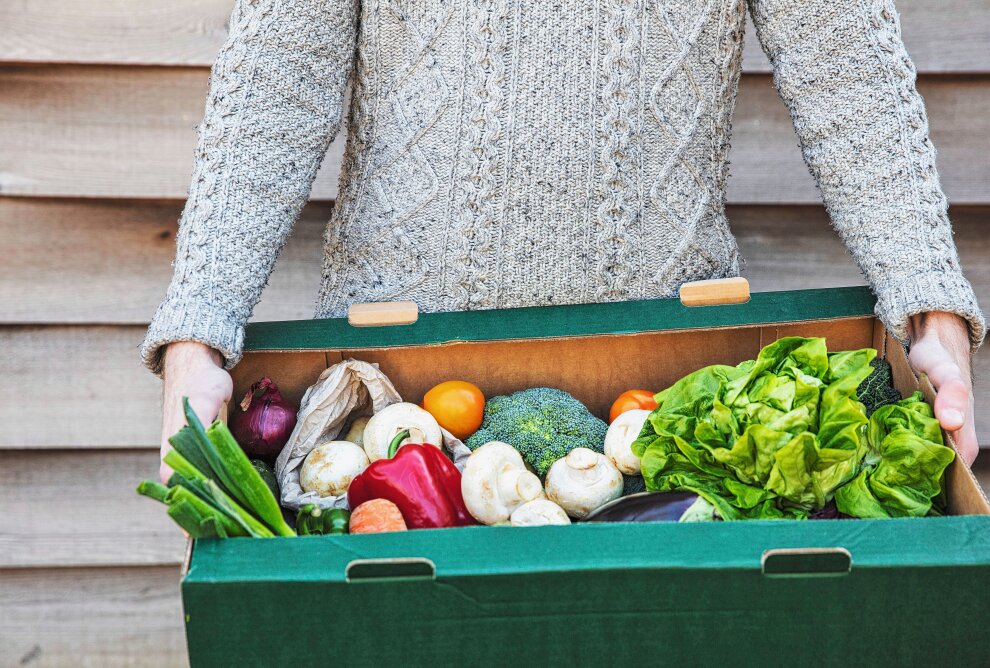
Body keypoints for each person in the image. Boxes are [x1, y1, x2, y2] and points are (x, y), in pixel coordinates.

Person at [144, 0, 985, 483]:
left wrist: (929, 306)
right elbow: (276, 79)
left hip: (667, 410)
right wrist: (198, 329)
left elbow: (850, 69)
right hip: (394, 407)